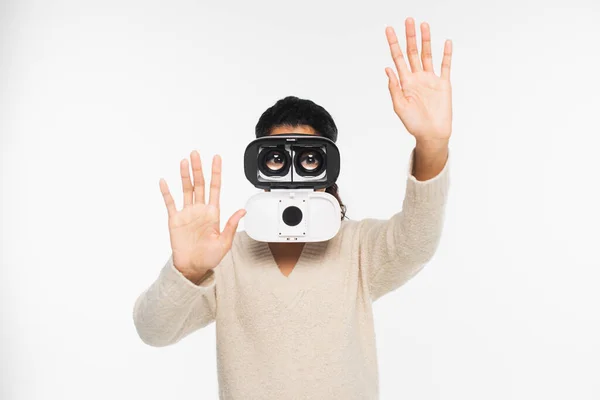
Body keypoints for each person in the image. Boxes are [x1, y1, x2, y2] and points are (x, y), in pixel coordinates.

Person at [133, 17, 452, 400]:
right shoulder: (226, 257)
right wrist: (188, 269)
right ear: (258, 165)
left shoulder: (358, 248)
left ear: (329, 165)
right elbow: (154, 331)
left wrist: (431, 143)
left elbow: (417, 241)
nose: (293, 172)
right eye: (276, 159)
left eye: (310, 160)